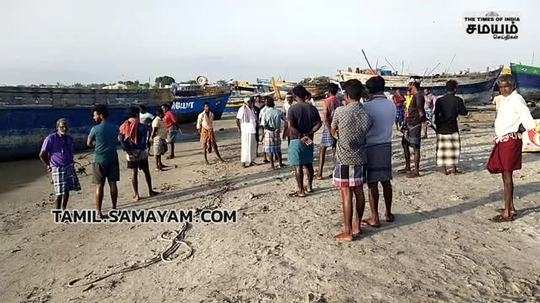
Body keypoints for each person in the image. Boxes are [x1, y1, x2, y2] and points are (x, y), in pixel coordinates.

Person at [487, 75, 539, 222]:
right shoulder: (504, 99)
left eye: (506, 86)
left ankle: (508, 212)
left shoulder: (517, 99)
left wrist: (532, 133)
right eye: (501, 86)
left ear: (513, 86)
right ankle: (510, 206)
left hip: (510, 140)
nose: (503, 89)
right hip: (503, 139)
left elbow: (527, 118)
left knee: (508, 175)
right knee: (504, 174)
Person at [331, 79, 372, 241]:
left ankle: (347, 231)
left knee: (346, 193)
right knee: (359, 191)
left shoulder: (340, 111)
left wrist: (340, 137)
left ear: (347, 95)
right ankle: (357, 226)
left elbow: (333, 130)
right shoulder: (366, 114)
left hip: (344, 158)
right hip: (360, 157)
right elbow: (366, 130)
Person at [362, 76, 397, 227]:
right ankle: (388, 213)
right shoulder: (391, 104)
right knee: (386, 181)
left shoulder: (367, 106)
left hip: (371, 146)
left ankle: (375, 217)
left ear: (369, 90)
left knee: (372, 184)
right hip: (386, 144)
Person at [287, 85, 322, 197]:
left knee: (298, 166)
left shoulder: (292, 108)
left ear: (295, 96)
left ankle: (301, 190)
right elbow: (319, 123)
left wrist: (301, 135)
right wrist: (310, 132)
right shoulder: (312, 108)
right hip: (308, 139)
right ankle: (310, 186)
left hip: (296, 140)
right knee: (309, 164)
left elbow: (291, 126)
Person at [39, 118, 81, 210]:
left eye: (66, 127)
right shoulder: (50, 138)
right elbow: (42, 154)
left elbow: (70, 152)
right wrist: (49, 164)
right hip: (57, 168)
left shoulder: (69, 139)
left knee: (67, 191)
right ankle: (57, 213)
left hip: (69, 167)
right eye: (62, 127)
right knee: (59, 193)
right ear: (57, 127)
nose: (64, 129)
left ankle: (64, 209)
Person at [119, 106, 158, 201]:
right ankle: (150, 191)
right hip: (141, 152)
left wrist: (129, 151)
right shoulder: (141, 126)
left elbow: (121, 140)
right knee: (146, 172)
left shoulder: (123, 126)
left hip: (130, 153)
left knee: (134, 173)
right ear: (137, 114)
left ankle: (136, 194)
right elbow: (145, 140)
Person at [87, 104, 119, 218]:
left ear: (100, 115)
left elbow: (88, 143)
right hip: (113, 158)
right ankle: (114, 208)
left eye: (95, 115)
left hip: (99, 159)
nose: (94, 118)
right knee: (113, 184)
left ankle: (99, 212)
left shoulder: (95, 129)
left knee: (99, 186)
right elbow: (118, 140)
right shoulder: (115, 127)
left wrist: (97, 144)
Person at [433, 80, 468, 175]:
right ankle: (453, 169)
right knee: (454, 148)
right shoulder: (458, 100)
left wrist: (437, 126)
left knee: (443, 149)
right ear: (455, 89)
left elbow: (436, 114)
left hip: (441, 127)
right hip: (452, 127)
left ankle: (444, 169)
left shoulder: (439, 100)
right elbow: (464, 112)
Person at [400, 81, 426, 178]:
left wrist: (422, 120)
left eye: (409, 86)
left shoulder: (418, 95)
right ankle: (408, 167)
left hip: (415, 124)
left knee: (415, 146)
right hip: (409, 123)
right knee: (405, 144)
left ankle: (416, 170)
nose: (408, 88)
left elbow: (420, 110)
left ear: (413, 86)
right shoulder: (414, 95)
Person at [317, 83, 341, 180]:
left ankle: (320, 173)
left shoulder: (326, 101)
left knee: (322, 149)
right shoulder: (338, 100)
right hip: (337, 127)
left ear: (329, 91)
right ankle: (335, 172)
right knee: (335, 150)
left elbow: (326, 117)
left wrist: (329, 129)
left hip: (329, 127)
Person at [261, 97, 285, 169]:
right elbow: (285, 120)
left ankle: (272, 166)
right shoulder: (278, 111)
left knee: (270, 150)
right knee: (278, 148)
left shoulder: (264, 113)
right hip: (277, 132)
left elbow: (264, 125)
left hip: (269, 132)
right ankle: (280, 163)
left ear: (266, 104)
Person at [236, 97, 257, 167]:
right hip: (245, 129)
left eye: (251, 101)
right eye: (249, 102)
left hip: (251, 129)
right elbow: (237, 119)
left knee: (252, 145)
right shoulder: (242, 109)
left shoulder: (252, 108)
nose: (250, 103)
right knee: (245, 146)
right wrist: (239, 128)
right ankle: (243, 162)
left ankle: (251, 161)